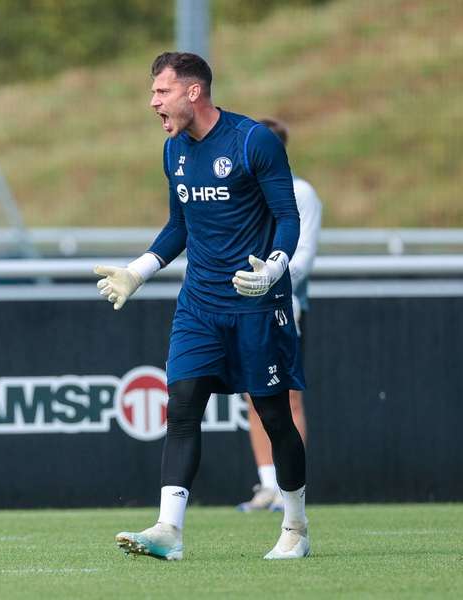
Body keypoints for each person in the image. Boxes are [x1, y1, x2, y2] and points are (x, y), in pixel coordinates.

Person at [94, 52, 309, 561]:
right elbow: (179, 228)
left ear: (193, 92)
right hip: (200, 306)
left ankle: (296, 527)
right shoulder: (173, 151)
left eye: (161, 92)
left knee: (274, 415)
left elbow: (288, 215)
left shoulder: (252, 140)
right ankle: (169, 530)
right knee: (184, 405)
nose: (153, 102)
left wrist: (273, 268)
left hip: (258, 304)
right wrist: (137, 271)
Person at [236, 118, 322, 513]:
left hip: (283, 303)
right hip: (243, 305)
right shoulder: (242, 189)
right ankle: (267, 484)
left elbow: (303, 253)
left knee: (287, 397)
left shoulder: (300, 191)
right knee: (253, 396)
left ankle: (292, 488)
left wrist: (271, 275)